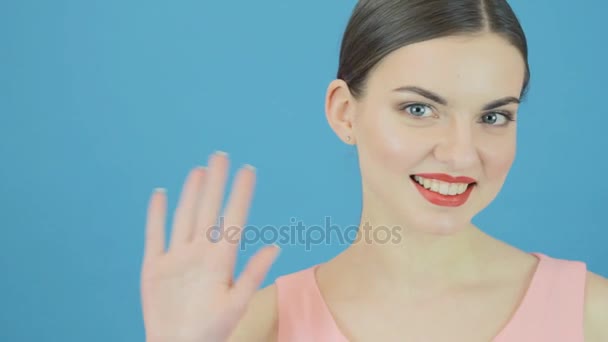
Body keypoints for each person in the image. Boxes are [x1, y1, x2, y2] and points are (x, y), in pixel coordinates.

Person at [139, 0, 608, 341]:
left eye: (493, 117)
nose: (463, 155)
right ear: (345, 112)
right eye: (420, 109)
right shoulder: (254, 329)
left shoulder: (593, 313)